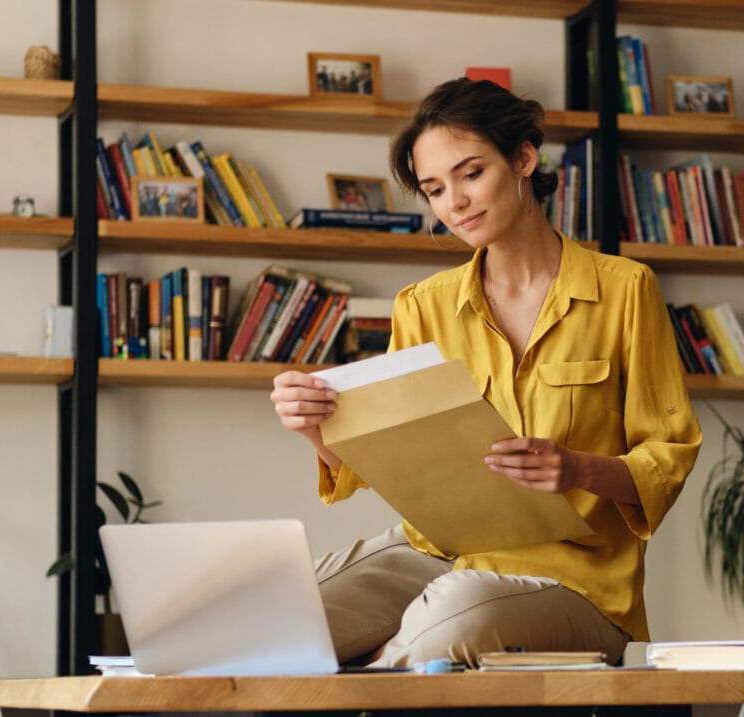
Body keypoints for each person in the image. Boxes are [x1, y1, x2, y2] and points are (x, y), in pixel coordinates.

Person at [270, 77, 702, 669]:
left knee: (453, 616)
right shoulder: (422, 305)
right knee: (275, 615)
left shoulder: (626, 290)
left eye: (471, 174)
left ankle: (371, 680)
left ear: (524, 157)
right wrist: (312, 427)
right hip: (437, 554)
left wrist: (577, 468)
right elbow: (393, 460)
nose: (455, 203)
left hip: (578, 581)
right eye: (435, 189)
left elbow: (669, 456)